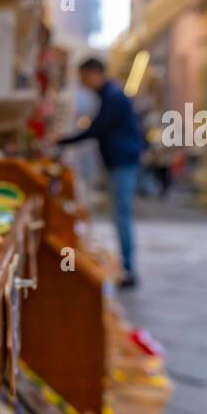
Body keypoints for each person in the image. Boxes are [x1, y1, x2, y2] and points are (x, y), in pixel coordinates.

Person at [57, 57, 146, 289]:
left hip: (123, 162)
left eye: (83, 76)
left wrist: (63, 141)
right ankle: (126, 267)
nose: (82, 82)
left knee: (122, 215)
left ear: (95, 73)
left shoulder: (113, 97)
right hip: (119, 161)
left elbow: (96, 129)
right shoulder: (109, 95)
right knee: (120, 214)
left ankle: (128, 269)